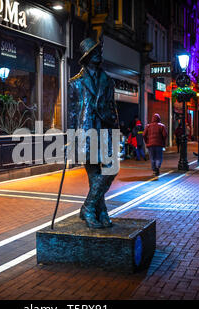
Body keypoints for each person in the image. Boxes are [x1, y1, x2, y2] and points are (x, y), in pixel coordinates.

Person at [68, 37, 119, 229]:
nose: (99, 54)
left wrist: (116, 131)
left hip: (105, 130)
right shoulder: (76, 83)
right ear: (87, 57)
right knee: (94, 175)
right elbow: (72, 113)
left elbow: (113, 108)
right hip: (86, 132)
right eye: (95, 52)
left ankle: (88, 207)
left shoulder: (108, 80)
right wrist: (71, 139)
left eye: (99, 51)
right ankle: (101, 212)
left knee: (111, 168)